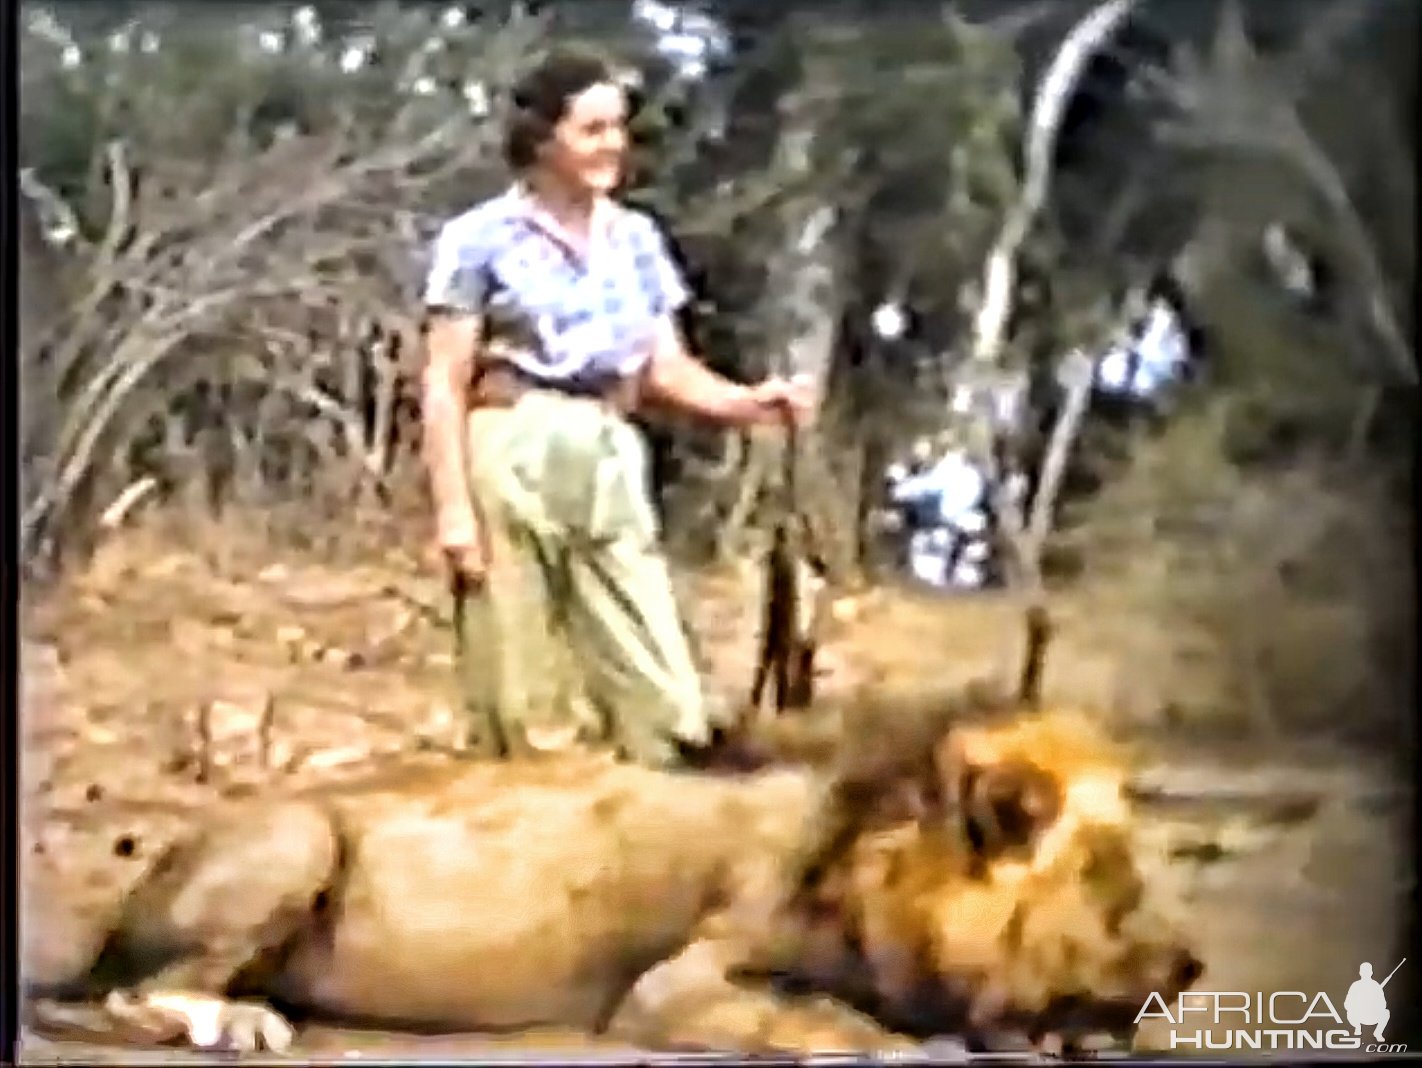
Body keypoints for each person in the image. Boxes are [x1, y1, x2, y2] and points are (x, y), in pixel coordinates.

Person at [420, 47, 813, 769]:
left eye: (618, 129)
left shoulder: (635, 239)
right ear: (544, 138)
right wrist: (453, 513)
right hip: (511, 440)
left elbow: (664, 366)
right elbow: (443, 379)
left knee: (665, 696)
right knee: (523, 686)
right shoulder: (477, 240)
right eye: (592, 130)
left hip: (605, 446)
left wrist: (746, 403)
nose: (612, 147)